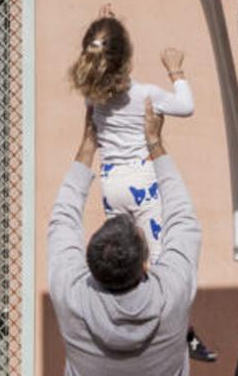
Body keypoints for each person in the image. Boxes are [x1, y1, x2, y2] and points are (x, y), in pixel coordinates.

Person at [65, 8, 218, 361]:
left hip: (111, 183)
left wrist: (107, 32)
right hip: (143, 183)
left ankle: (120, 327)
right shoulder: (146, 94)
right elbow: (186, 106)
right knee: (164, 261)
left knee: (121, 258)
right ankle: (179, 333)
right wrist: (176, 70)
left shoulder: (93, 95)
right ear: (127, 57)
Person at [48, 98, 200, 375]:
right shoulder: (172, 294)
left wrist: (87, 145)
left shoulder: (71, 297)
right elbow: (182, 218)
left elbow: (62, 220)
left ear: (90, 264)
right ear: (145, 264)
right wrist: (154, 142)